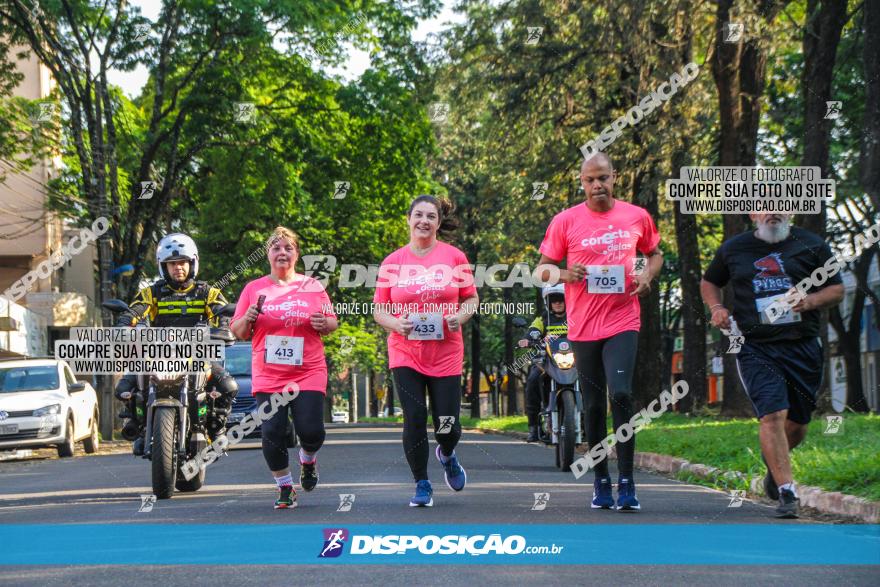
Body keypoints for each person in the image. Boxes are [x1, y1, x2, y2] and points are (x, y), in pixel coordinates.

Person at [537, 152, 662, 511]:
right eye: (590, 180)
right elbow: (540, 270)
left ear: (614, 178)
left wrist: (647, 276)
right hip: (584, 327)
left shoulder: (636, 216)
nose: (597, 185)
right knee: (592, 405)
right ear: (582, 183)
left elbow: (654, 254)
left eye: (603, 178)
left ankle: (627, 481)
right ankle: (600, 479)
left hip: (623, 320)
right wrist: (563, 275)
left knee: (621, 393)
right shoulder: (565, 221)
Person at [700, 212, 844, 518]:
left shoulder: (813, 245)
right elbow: (710, 281)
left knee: (799, 424)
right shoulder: (734, 248)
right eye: (764, 204)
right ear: (753, 213)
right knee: (774, 414)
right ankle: (786, 492)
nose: (772, 210)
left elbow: (837, 289)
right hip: (756, 345)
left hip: (802, 345)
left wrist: (810, 300)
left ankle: (774, 466)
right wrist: (717, 307)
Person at [372, 195, 479, 507]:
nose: (424, 221)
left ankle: (446, 453)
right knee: (415, 417)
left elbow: (471, 298)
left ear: (438, 222)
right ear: (408, 219)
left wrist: (460, 316)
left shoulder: (454, 257)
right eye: (418, 215)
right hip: (406, 352)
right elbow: (379, 310)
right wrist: (396, 324)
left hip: (446, 353)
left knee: (448, 426)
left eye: (430, 216)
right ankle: (421, 482)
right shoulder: (393, 262)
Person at [230, 227, 338, 509]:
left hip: (308, 370)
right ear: (268, 254)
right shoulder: (253, 289)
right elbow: (238, 331)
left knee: (311, 431)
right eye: (276, 248)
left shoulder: (313, 286)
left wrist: (322, 324)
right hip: (269, 374)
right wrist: (249, 318)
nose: (282, 252)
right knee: (273, 432)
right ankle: (285, 487)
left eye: (288, 248)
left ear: (296, 254)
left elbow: (331, 323)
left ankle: (308, 459)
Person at [114, 233, 238, 456]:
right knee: (122, 388)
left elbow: (223, 313)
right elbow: (135, 310)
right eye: (172, 264)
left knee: (229, 387)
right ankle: (138, 425)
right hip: (157, 356)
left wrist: (224, 327)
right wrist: (124, 325)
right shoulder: (151, 292)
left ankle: (217, 428)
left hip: (197, 356)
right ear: (164, 267)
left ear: (192, 263)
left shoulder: (208, 292)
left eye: (182, 262)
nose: (178, 268)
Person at [518, 284, 568, 442]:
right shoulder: (542, 318)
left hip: (573, 361)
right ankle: (534, 427)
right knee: (533, 380)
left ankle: (587, 423)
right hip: (547, 361)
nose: (558, 303)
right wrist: (529, 338)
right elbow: (533, 330)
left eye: (561, 300)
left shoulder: (575, 315)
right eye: (554, 300)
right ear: (548, 302)